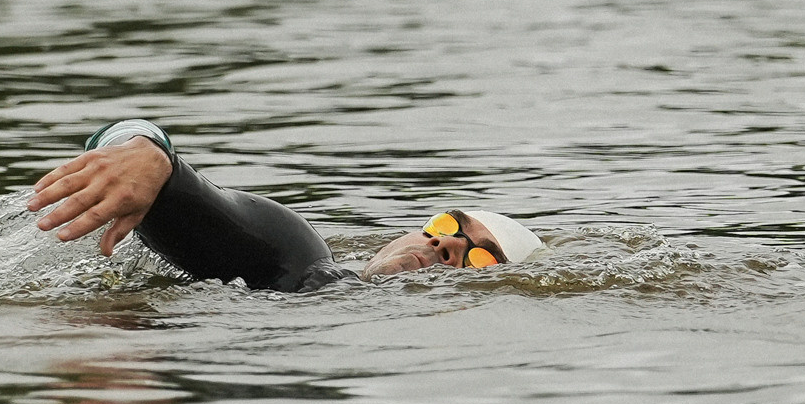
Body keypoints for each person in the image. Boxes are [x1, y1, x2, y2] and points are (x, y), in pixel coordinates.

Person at [27, 118, 541, 292]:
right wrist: (145, 147)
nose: (447, 242)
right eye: (451, 223)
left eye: (480, 256)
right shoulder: (304, 259)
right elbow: (179, 183)